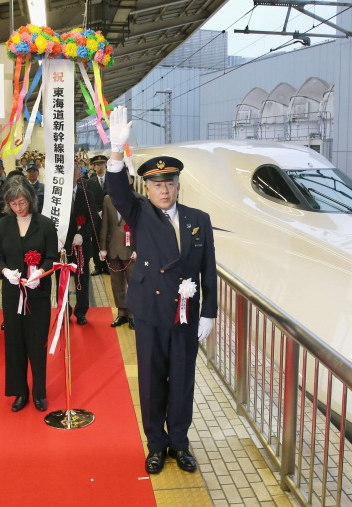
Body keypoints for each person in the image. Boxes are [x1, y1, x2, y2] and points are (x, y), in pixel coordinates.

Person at [105, 106, 217, 475]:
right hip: (152, 314)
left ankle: (180, 444)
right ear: (147, 188)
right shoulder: (140, 214)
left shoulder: (198, 220)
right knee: (152, 383)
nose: (163, 189)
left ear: (178, 185)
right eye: (156, 184)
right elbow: (117, 190)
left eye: (169, 183)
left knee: (183, 383)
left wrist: (209, 312)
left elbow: (207, 270)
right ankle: (156, 445)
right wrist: (116, 153)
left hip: (186, 316)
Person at [0, 179, 57, 412]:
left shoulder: (45, 225)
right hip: (12, 294)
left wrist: (41, 271)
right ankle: (20, 392)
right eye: (13, 203)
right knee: (15, 343)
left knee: (37, 343)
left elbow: (51, 257)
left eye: (22, 202)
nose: (19, 207)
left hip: (37, 293)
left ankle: (39, 392)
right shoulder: (2, 226)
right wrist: (5, 271)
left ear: (31, 199)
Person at [99, 170, 137, 329]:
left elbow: (139, 227)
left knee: (133, 283)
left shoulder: (136, 199)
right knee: (116, 283)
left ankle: (133, 314)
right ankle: (122, 312)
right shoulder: (108, 199)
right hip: (113, 247)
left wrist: (138, 248)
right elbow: (105, 224)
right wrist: (102, 248)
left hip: (130, 249)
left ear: (131, 180)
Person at [63, 163, 100, 326]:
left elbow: (92, 219)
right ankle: (65, 312)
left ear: (79, 173)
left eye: (74, 170)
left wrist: (82, 235)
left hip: (82, 246)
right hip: (62, 246)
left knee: (82, 279)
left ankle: (81, 312)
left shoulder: (87, 194)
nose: (71, 173)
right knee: (62, 281)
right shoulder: (56, 195)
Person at [87, 155, 109, 276]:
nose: (100, 166)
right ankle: (97, 266)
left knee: (108, 240)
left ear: (105, 165)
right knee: (96, 241)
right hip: (95, 217)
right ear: (94, 167)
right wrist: (97, 211)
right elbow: (89, 200)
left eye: (102, 164)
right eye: (97, 164)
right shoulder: (90, 182)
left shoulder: (112, 180)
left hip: (109, 216)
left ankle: (107, 266)